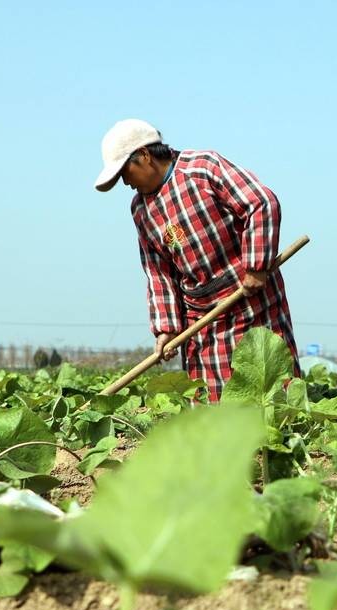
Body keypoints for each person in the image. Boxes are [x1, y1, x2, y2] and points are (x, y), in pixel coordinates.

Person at [94, 119, 299, 401]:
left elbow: (260, 203)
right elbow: (158, 273)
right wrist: (166, 328)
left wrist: (256, 266)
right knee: (209, 403)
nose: (125, 183)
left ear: (144, 155)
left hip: (251, 298)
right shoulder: (141, 210)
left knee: (273, 390)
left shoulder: (202, 169)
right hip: (201, 317)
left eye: (124, 173)